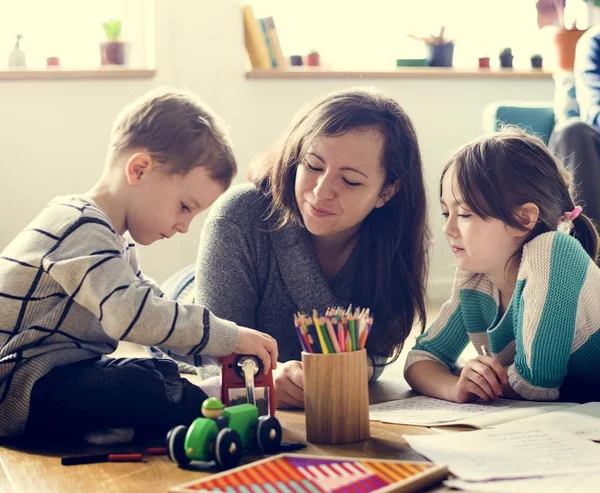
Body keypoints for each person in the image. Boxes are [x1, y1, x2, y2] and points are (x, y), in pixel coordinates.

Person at [0, 87, 277, 442]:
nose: (184, 225)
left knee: (157, 369)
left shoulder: (115, 239)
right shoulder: (78, 226)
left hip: (58, 376)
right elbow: (134, 315)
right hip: (17, 389)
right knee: (141, 386)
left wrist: (218, 349)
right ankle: (209, 404)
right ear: (140, 169)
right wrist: (229, 337)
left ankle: (125, 422)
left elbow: (158, 309)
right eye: (184, 207)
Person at [192, 86, 431, 408]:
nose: (321, 191)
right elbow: (214, 357)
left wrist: (338, 372)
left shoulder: (394, 241)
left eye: (350, 181)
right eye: (313, 166)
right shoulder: (239, 214)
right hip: (189, 302)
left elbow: (375, 355)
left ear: (387, 192)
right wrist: (267, 378)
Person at [405, 127, 600, 404]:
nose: (447, 228)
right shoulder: (476, 276)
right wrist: (457, 386)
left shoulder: (553, 253)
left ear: (523, 218)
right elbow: (421, 358)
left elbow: (535, 384)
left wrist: (481, 378)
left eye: (464, 214)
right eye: (446, 212)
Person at [549, 23, 600, 226]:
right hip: (595, 143)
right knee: (573, 131)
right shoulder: (594, 42)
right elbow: (593, 107)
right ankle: (588, 248)